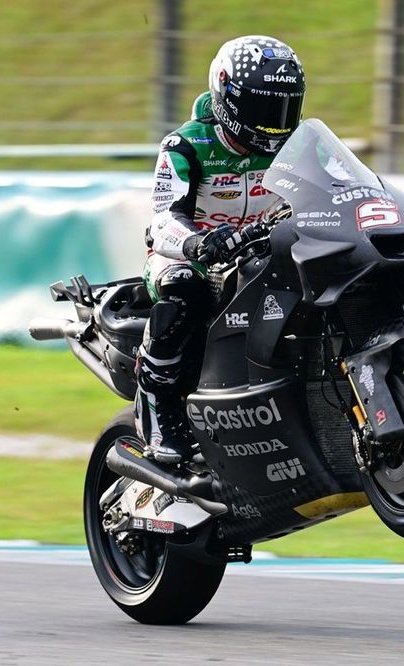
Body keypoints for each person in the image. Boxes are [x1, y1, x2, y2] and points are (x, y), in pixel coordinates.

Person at [137, 35, 305, 464]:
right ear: (229, 96)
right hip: (190, 256)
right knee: (185, 289)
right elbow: (160, 220)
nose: (276, 122)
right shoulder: (185, 146)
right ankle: (157, 408)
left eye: (285, 109)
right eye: (265, 110)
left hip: (265, 249)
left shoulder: (299, 143)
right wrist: (198, 243)